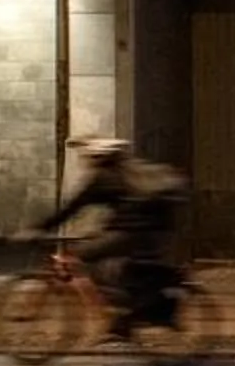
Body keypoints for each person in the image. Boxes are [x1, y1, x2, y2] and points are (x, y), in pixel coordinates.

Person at [31, 139, 188, 339]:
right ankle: (125, 315)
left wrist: (39, 228)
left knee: (79, 255)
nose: (86, 161)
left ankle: (118, 317)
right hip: (154, 232)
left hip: (130, 233)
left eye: (88, 157)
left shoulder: (103, 177)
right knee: (119, 270)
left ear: (98, 157)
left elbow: (72, 207)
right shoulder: (127, 175)